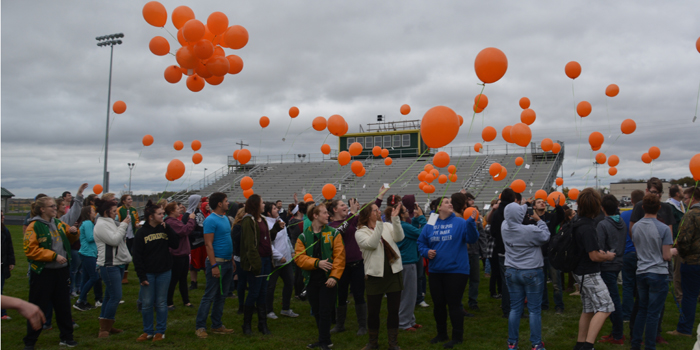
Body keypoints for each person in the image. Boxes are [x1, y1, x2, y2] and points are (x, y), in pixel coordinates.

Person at [418, 196, 479, 349]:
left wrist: (471, 224)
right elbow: (421, 241)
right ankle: (441, 333)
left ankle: (457, 337)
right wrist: (426, 252)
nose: (450, 204)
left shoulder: (459, 222)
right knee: (438, 304)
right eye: (446, 202)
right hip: (436, 270)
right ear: (438, 208)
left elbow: (472, 239)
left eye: (450, 202)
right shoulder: (431, 222)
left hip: (456, 270)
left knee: (454, 304)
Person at [23, 196, 81, 348]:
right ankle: (30, 341)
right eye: (52, 207)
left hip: (61, 272)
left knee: (63, 306)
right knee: (37, 307)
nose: (55, 209)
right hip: (43, 273)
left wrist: (74, 232)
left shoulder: (58, 223)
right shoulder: (34, 226)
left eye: (55, 206)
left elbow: (70, 238)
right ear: (42, 209)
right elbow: (30, 250)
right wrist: (53, 256)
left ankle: (67, 337)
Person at [295, 204, 346, 350]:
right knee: (316, 310)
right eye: (324, 213)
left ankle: (324, 341)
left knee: (325, 310)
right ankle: (324, 339)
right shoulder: (304, 236)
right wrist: (317, 263)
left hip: (327, 279)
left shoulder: (334, 234)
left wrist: (334, 277)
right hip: (311, 279)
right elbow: (299, 258)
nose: (328, 216)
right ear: (315, 216)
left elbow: (339, 257)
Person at [502, 199, 551, 350]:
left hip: (511, 271)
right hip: (531, 271)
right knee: (534, 310)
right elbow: (546, 236)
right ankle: (536, 344)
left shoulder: (504, 226)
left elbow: (511, 218)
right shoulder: (529, 230)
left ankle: (512, 343)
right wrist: (539, 220)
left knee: (515, 309)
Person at [571, 188, 616, 350]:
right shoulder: (588, 227)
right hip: (588, 273)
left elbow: (588, 250)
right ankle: (588, 345)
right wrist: (607, 256)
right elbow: (593, 257)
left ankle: (580, 343)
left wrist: (598, 253)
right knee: (606, 306)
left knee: (589, 308)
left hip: (579, 271)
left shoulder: (577, 221)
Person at [356, 201, 405, 350]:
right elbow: (372, 243)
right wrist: (379, 224)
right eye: (375, 210)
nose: (379, 212)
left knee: (393, 310)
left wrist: (395, 220)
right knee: (373, 312)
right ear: (367, 214)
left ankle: (393, 343)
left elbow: (399, 237)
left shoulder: (387, 226)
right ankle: (373, 342)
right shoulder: (360, 232)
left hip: (393, 272)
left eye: (379, 210)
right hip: (374, 275)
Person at [629, 193, 674, 350]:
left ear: (643, 208)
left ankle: (635, 344)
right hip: (658, 273)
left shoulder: (635, 227)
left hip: (641, 272)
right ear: (659, 208)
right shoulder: (663, 228)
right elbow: (667, 255)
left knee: (642, 309)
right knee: (653, 313)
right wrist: (674, 251)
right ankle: (649, 346)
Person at [133, 201, 180, 342]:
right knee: (147, 303)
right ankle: (147, 331)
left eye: (163, 213)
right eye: (159, 214)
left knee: (161, 302)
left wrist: (169, 229)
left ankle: (160, 331)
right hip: (148, 273)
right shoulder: (141, 233)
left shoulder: (165, 228)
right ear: (151, 216)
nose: (163, 216)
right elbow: (137, 257)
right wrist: (141, 276)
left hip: (164, 271)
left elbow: (175, 244)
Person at [240, 194, 284, 335]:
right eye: (262, 202)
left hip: (266, 260)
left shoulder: (262, 219)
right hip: (256, 262)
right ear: (255, 204)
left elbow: (266, 238)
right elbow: (250, 245)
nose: (264, 204)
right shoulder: (248, 220)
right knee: (254, 292)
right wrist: (256, 264)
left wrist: (276, 228)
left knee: (262, 292)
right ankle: (246, 325)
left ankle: (262, 324)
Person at [195, 192, 236, 338]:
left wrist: (231, 259)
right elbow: (208, 244)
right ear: (219, 204)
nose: (228, 203)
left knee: (222, 295)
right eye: (226, 201)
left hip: (226, 262)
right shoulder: (210, 220)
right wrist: (213, 265)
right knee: (209, 295)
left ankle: (216, 325)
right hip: (216, 263)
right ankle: (200, 326)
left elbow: (226, 240)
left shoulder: (225, 218)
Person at [327, 198, 368, 335]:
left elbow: (367, 214)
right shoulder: (332, 226)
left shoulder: (351, 220)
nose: (346, 206)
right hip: (341, 266)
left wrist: (380, 196)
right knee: (341, 294)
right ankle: (340, 324)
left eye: (346, 205)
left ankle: (362, 325)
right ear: (335, 210)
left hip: (357, 263)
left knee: (359, 294)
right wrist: (351, 213)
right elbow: (340, 230)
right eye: (342, 205)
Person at [93, 197, 131, 338]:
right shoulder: (101, 225)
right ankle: (104, 329)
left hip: (117, 263)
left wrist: (121, 226)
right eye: (114, 211)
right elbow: (114, 240)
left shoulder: (109, 222)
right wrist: (123, 225)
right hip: (109, 265)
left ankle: (106, 324)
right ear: (106, 212)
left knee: (109, 296)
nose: (116, 213)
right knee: (115, 296)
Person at [595, 195, 627, 345]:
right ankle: (616, 332)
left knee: (612, 301)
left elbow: (600, 246)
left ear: (603, 209)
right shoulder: (621, 222)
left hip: (607, 264)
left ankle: (618, 334)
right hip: (618, 262)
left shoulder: (602, 224)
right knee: (612, 299)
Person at [668, 186, 700, 337]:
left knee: (689, 295)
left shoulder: (690, 215)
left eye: (686, 198)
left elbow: (684, 240)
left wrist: (681, 252)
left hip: (692, 262)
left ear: (693, 198)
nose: (684, 201)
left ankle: (684, 329)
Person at [396, 198, 426, 332]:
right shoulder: (404, 226)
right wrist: (422, 218)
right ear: (402, 214)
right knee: (408, 294)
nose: (409, 211)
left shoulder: (403, 225)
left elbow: (413, 229)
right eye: (406, 210)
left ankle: (409, 319)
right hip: (407, 263)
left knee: (410, 293)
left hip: (407, 262)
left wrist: (415, 217)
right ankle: (403, 322)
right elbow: (423, 233)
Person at [265, 202, 299, 319]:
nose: (277, 210)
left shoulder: (280, 221)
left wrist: (291, 250)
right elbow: (268, 244)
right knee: (271, 287)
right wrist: (279, 256)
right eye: (274, 208)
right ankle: (269, 310)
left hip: (287, 260)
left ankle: (286, 308)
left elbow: (286, 238)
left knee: (290, 282)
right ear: (269, 212)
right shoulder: (266, 224)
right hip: (275, 262)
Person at [489, 189, 517, 318]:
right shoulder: (513, 211)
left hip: (500, 249)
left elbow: (493, 232)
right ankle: (512, 308)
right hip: (513, 249)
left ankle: (507, 308)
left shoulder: (496, 213)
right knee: (514, 281)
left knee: (506, 281)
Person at [165, 202, 196, 310]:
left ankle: (186, 301)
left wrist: (186, 213)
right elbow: (185, 230)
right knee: (174, 279)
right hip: (176, 254)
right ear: (172, 211)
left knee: (183, 279)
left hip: (182, 253)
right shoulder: (170, 222)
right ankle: (169, 302)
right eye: (177, 209)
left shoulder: (175, 221)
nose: (179, 210)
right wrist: (191, 219)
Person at [450, 192, 478, 316]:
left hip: (466, 251)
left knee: (466, 280)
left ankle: (461, 304)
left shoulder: (464, 215)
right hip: (464, 252)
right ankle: (460, 306)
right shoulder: (458, 218)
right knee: (462, 281)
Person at [73, 206, 104, 311]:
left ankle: (83, 301)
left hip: (88, 253)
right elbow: (90, 238)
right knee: (94, 277)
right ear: (88, 213)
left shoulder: (88, 223)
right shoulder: (88, 223)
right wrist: (100, 233)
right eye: (93, 211)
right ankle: (80, 300)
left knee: (85, 278)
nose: (94, 213)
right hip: (88, 254)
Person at [621, 190, 644, 322]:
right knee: (641, 285)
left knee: (628, 285)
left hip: (628, 253)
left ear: (632, 200)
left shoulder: (624, 215)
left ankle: (627, 315)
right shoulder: (646, 215)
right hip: (641, 253)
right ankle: (640, 312)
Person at [666, 185, 686, 304]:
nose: (683, 192)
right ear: (677, 193)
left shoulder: (682, 205)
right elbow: (671, 225)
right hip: (676, 242)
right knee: (677, 270)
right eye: (682, 190)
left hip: (685, 242)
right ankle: (679, 296)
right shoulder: (670, 206)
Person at [116, 194, 141, 284]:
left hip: (132, 235)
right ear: (124, 201)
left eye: (131, 199)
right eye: (129, 199)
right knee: (124, 255)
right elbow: (117, 222)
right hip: (123, 236)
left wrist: (137, 223)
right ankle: (122, 275)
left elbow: (137, 219)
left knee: (132, 254)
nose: (131, 200)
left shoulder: (133, 210)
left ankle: (129, 274)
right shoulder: (119, 210)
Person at [188, 198, 209, 291]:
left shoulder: (200, 212)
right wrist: (199, 234)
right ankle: (193, 282)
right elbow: (188, 228)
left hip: (203, 241)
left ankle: (209, 281)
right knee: (194, 263)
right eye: (199, 201)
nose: (201, 203)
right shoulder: (189, 214)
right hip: (194, 242)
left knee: (205, 262)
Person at [288, 202, 307, 299]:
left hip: (293, 246)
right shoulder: (300, 224)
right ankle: (300, 292)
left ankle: (296, 292)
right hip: (299, 247)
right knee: (300, 273)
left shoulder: (291, 220)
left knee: (297, 272)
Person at [2, 211, 16, 320]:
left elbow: (9, 247)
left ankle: (2, 313)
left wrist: (11, 262)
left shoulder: (5, 230)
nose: (3, 217)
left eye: (2, 215)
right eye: (1, 216)